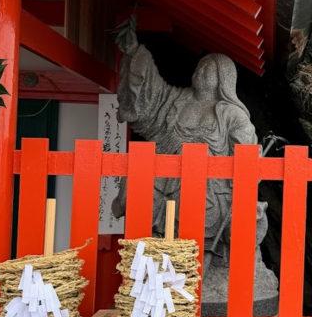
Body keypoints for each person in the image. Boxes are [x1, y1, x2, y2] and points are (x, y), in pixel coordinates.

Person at [112, 19, 269, 270]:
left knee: (208, 223)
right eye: (199, 68)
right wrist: (134, 53)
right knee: (137, 187)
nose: (199, 73)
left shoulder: (231, 114)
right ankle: (157, 264)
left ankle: (208, 261)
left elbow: (247, 153)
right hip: (167, 179)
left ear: (222, 79)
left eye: (207, 70)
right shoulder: (178, 99)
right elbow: (154, 95)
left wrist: (243, 182)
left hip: (212, 189)